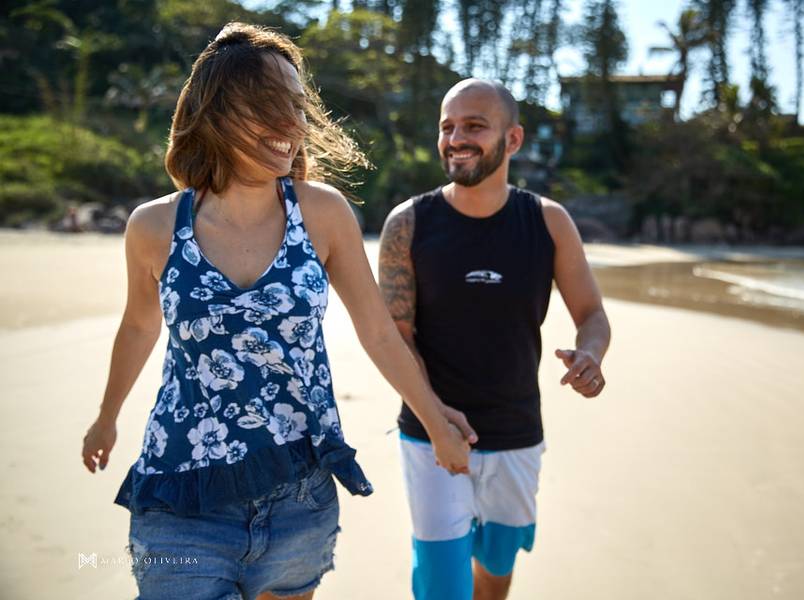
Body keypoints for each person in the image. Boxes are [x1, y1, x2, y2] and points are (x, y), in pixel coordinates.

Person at [80, 23, 475, 600]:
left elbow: (377, 332)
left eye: (296, 105)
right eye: (271, 106)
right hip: (182, 492)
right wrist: (106, 416)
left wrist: (437, 423)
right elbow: (140, 325)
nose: (293, 124)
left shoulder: (323, 214)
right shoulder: (154, 226)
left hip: (299, 496)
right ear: (218, 110)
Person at [378, 78, 612, 600]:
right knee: (443, 587)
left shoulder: (548, 221)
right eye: (447, 127)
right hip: (430, 436)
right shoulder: (408, 224)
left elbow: (592, 313)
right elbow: (396, 336)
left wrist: (591, 355)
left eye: (474, 126)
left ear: (513, 139)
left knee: (495, 571)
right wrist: (437, 422)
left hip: (516, 434)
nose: (456, 138)